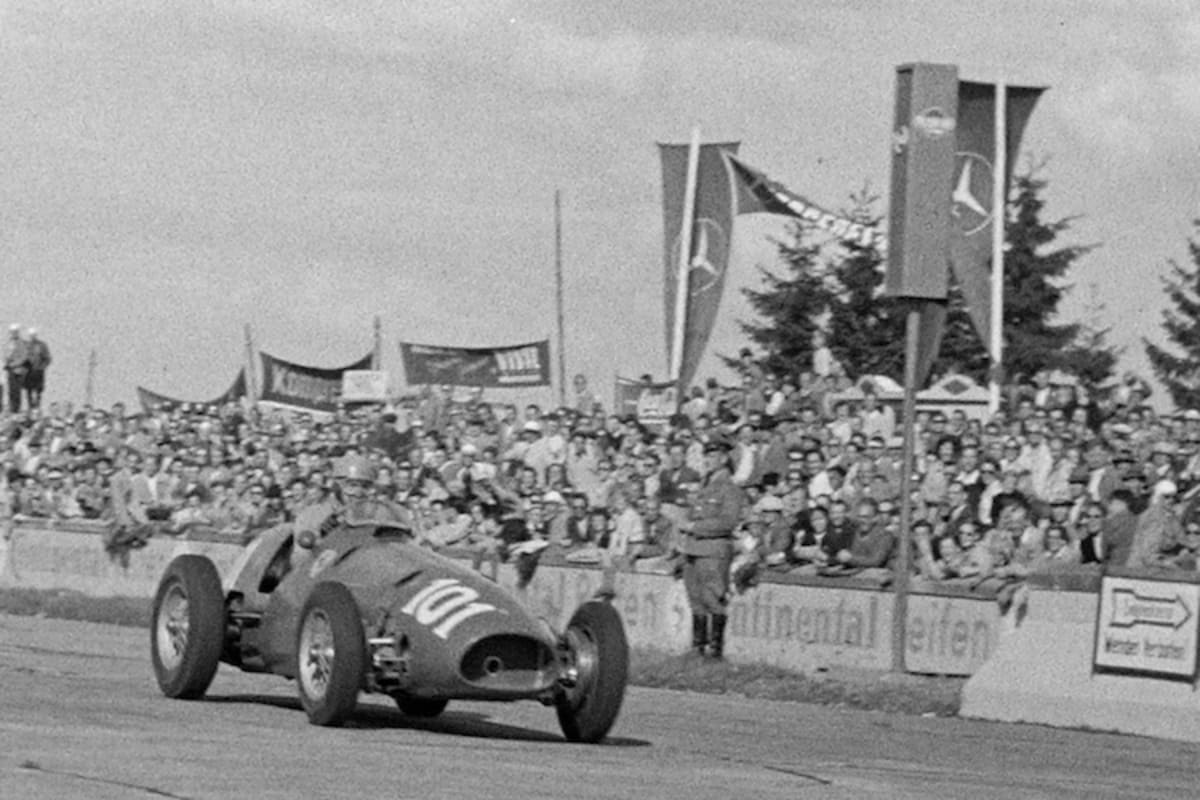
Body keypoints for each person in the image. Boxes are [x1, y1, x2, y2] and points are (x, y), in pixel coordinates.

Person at [676, 440, 744, 659]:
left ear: (724, 459)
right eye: (706, 456)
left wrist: (695, 527)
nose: (707, 460)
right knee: (695, 599)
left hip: (713, 550)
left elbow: (728, 521)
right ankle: (698, 647)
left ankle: (715, 649)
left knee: (713, 599)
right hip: (693, 549)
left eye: (713, 456)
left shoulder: (730, 489)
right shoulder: (706, 487)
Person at [3, 325, 29, 414]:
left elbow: (24, 357)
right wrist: (6, 362)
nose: (13, 333)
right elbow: (5, 354)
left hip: (18, 370)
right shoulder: (8, 343)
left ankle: (16, 409)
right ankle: (11, 408)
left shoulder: (22, 343)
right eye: (12, 332)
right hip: (10, 369)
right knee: (11, 390)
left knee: (16, 390)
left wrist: (14, 364)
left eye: (15, 332)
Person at [24, 328, 50, 410]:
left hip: (38, 372)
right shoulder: (25, 345)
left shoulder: (42, 345)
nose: (32, 337)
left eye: (33, 335)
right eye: (31, 335)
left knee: (38, 391)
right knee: (29, 391)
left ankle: (37, 407)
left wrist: (41, 367)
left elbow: (47, 358)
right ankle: (30, 407)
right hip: (28, 372)